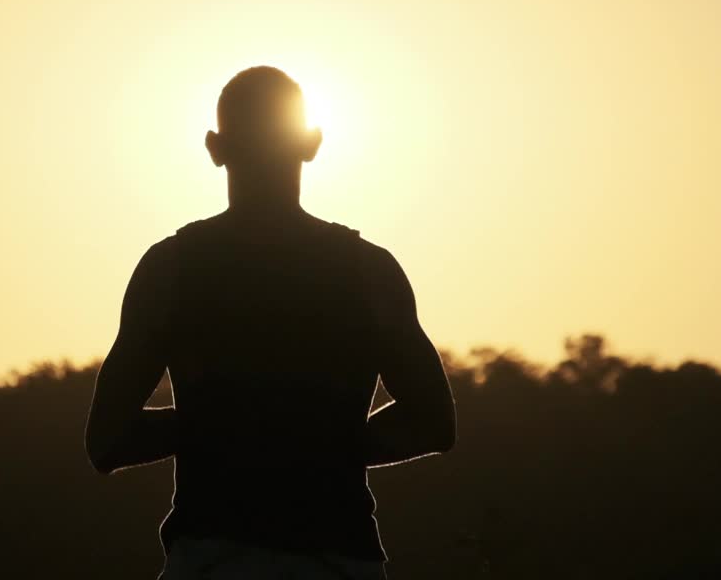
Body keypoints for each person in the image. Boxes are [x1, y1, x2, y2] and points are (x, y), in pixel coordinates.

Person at [85, 66, 456, 579]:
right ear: (312, 143)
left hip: (211, 560)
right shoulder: (369, 271)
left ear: (215, 148)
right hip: (338, 559)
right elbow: (434, 422)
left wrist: (217, 429)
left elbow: (107, 441)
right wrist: (322, 444)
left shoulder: (171, 271)